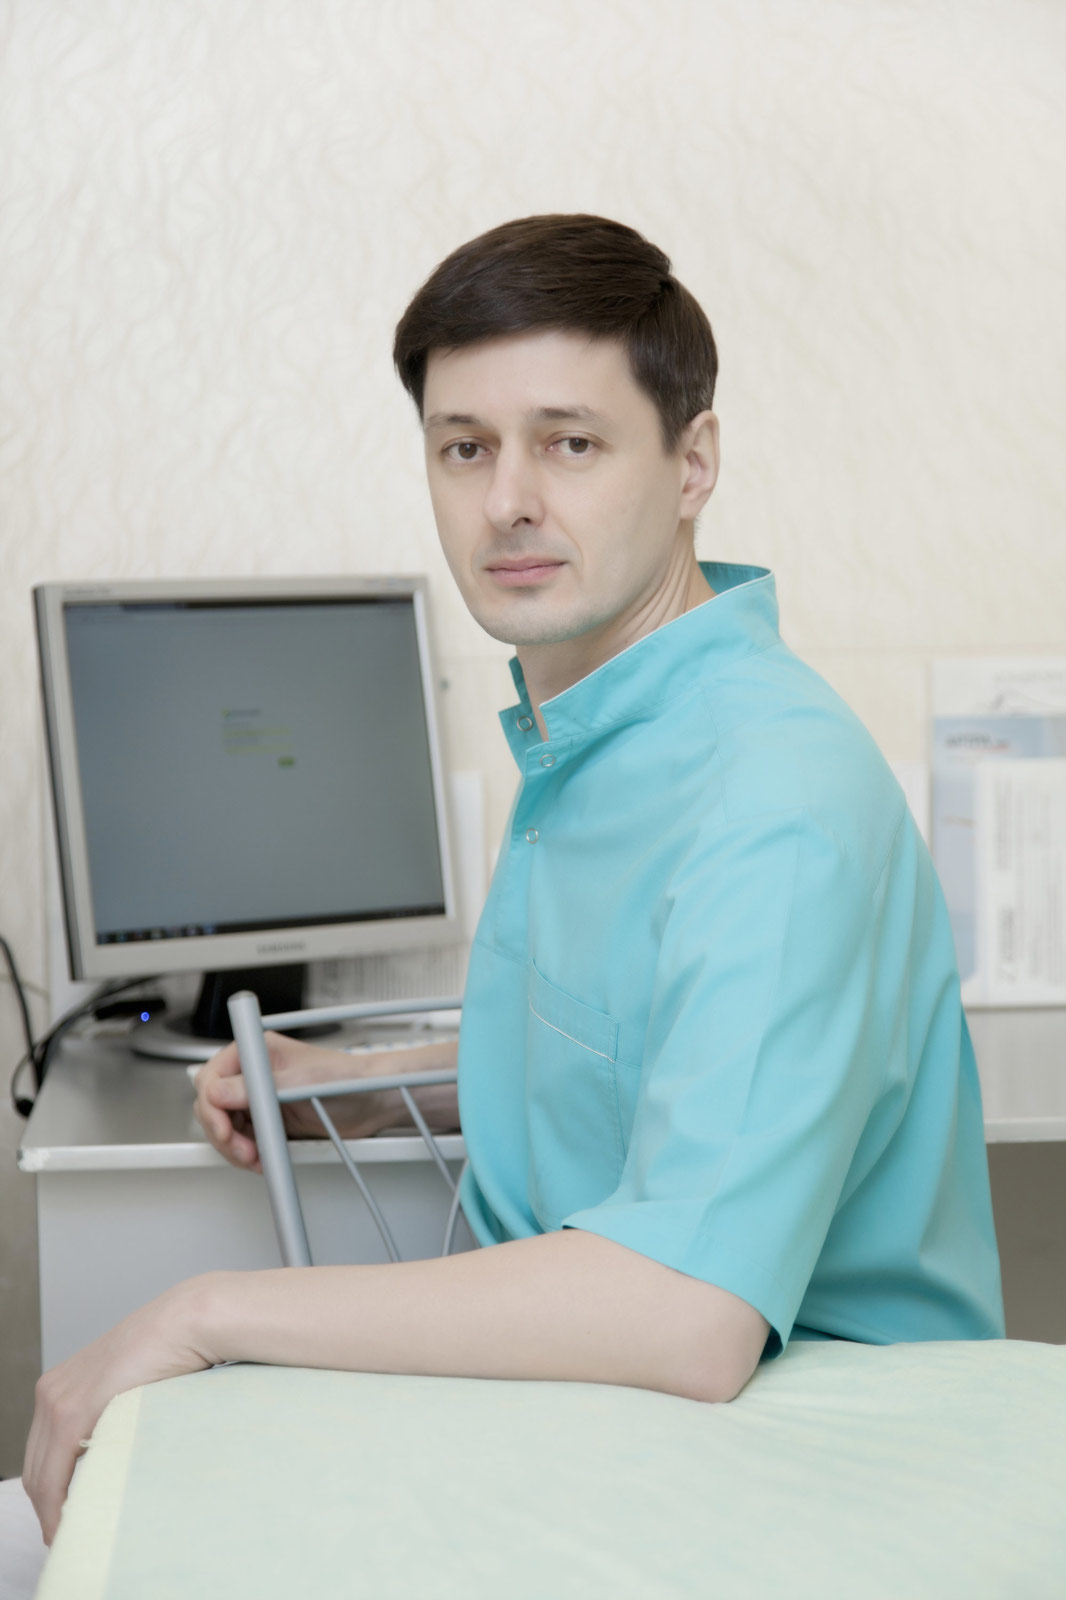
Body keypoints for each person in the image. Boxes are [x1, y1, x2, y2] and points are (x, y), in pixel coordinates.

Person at [16, 214, 1004, 1560]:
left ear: (693, 462)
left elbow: (686, 1311)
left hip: (802, 1486)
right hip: (581, 1431)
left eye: (570, 443)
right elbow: (655, 1064)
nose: (506, 503)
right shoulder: (598, 733)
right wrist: (373, 1087)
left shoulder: (773, 805)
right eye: (464, 447)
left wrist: (203, 1312)